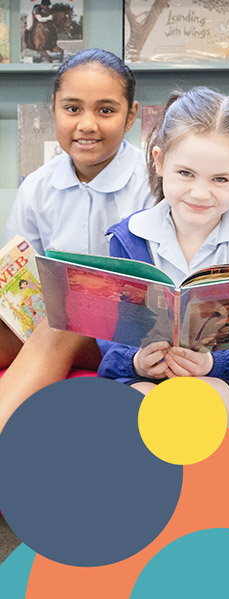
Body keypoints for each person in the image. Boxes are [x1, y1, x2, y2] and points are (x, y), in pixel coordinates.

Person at [98, 86, 229, 440]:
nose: (200, 193)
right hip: (147, 377)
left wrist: (213, 363)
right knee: (132, 413)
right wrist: (137, 361)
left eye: (220, 180)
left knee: (195, 407)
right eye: (185, 173)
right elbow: (113, 330)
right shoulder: (129, 239)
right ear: (159, 160)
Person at [0, 48, 152, 432]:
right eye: (72, 109)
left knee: (59, 325)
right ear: (53, 109)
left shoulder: (153, 184)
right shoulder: (37, 187)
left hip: (131, 338)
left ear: (131, 115)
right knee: (48, 321)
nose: (87, 124)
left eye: (105, 110)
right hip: (49, 322)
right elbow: (19, 276)